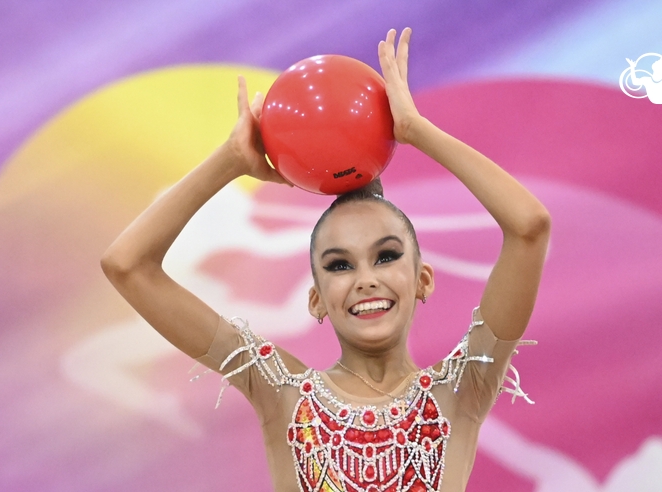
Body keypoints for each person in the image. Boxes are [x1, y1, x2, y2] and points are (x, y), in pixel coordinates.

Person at [101, 27, 550, 492]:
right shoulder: (279, 391)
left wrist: (418, 131)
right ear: (315, 299)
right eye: (340, 265)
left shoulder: (462, 391)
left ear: (423, 279)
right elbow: (127, 266)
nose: (365, 280)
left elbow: (529, 227)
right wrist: (230, 161)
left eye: (386, 256)